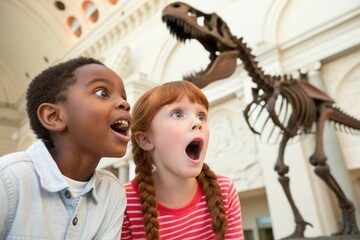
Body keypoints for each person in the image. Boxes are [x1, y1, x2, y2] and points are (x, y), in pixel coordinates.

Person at [0, 57, 131, 239]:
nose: (125, 104)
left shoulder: (112, 191)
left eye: (124, 97)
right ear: (54, 117)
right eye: (102, 93)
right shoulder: (8, 179)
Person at [121, 80, 244, 240]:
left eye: (201, 116)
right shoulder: (124, 204)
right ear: (145, 140)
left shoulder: (225, 191)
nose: (197, 123)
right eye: (177, 114)